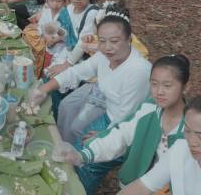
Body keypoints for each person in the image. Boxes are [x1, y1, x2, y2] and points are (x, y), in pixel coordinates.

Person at [32, 2, 151, 160]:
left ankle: (73, 157)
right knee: (66, 106)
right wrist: (43, 89)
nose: (107, 47)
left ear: (129, 39)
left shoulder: (139, 70)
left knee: (81, 135)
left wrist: (106, 134)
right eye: (102, 41)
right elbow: (76, 72)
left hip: (119, 122)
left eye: (114, 41)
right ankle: (62, 144)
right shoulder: (103, 55)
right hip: (105, 99)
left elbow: (127, 114)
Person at [58, 55, 190, 195]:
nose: (159, 92)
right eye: (154, 83)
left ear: (185, 87)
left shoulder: (193, 130)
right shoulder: (149, 108)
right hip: (134, 185)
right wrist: (82, 155)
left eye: (167, 85)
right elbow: (121, 134)